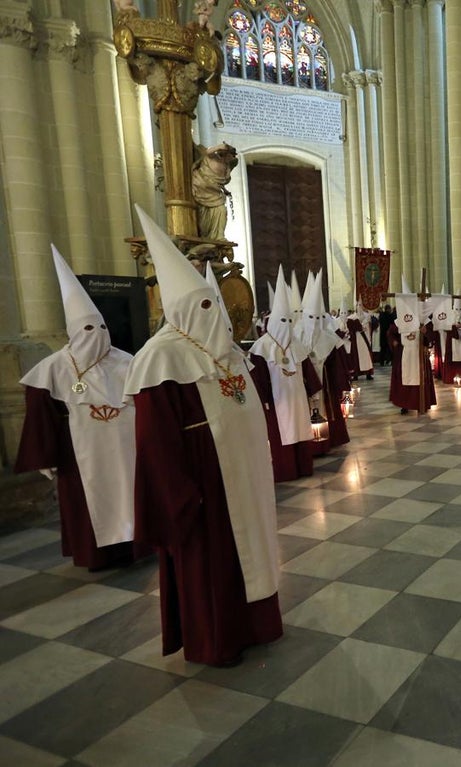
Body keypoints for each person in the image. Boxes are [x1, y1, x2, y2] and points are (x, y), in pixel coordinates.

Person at [124, 206, 281, 667]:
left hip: (244, 477)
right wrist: (180, 495)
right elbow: (154, 443)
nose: (217, 315)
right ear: (181, 311)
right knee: (213, 564)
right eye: (205, 307)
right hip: (203, 486)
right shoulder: (159, 359)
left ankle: (258, 625)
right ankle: (218, 642)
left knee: (252, 551)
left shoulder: (230, 353)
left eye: (216, 304)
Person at [15, 245, 145, 570]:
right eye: (88, 328)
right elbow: (41, 415)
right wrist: (48, 456)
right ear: (73, 332)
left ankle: (134, 548)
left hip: (125, 449)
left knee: (130, 493)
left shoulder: (125, 362)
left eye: (101, 327)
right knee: (89, 501)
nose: (97, 334)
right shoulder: (53, 368)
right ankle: (96, 555)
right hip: (80, 452)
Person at [249, 267, 319, 482]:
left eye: (289, 321)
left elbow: (308, 371)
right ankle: (286, 470)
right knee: (281, 434)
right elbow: (258, 378)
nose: (287, 326)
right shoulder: (261, 347)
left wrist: (313, 393)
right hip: (276, 402)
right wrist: (264, 401)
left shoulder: (297, 345)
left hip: (298, 398)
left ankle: (304, 467)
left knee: (300, 428)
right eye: (283, 321)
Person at [295, 269, 349, 454]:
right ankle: (309, 445)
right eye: (311, 318)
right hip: (303, 383)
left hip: (325, 384)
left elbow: (336, 365)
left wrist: (341, 386)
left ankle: (326, 442)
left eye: (318, 318)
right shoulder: (296, 335)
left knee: (327, 409)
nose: (314, 322)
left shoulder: (329, 338)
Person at [387, 290, 437, 415]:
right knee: (404, 379)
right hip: (404, 354)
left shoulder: (423, 320)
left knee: (420, 378)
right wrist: (394, 342)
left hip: (419, 354)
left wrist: (426, 332)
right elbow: (390, 334)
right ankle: (405, 404)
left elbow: (432, 336)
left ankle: (422, 403)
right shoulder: (399, 321)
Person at [441, 297, 461, 384]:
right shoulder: (448, 315)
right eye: (456, 309)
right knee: (451, 357)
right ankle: (450, 378)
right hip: (451, 341)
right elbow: (445, 327)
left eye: (459, 309)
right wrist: (455, 328)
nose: (458, 311)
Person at [345, 299, 374, 380]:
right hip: (356, 339)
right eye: (358, 305)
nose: (359, 307)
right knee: (356, 356)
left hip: (364, 339)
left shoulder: (367, 316)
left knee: (366, 356)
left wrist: (368, 337)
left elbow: (369, 328)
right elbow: (350, 328)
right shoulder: (352, 317)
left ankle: (368, 373)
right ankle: (356, 374)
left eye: (361, 305)